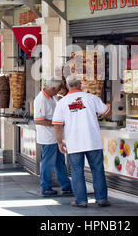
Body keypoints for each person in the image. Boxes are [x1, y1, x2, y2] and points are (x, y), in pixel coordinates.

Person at [52, 74, 111, 208]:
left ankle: (81, 201)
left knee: (77, 171)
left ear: (67, 86)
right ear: (80, 84)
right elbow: (107, 112)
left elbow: (57, 125)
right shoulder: (91, 98)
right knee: (97, 170)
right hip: (93, 141)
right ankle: (101, 199)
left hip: (74, 143)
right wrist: (109, 105)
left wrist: (59, 142)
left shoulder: (62, 102)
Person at [34, 77, 72, 196]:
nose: (58, 93)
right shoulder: (41, 99)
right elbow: (38, 120)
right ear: (53, 88)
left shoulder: (51, 97)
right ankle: (45, 186)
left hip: (55, 137)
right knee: (48, 163)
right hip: (47, 138)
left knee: (60, 162)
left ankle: (66, 185)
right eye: (57, 90)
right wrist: (56, 123)